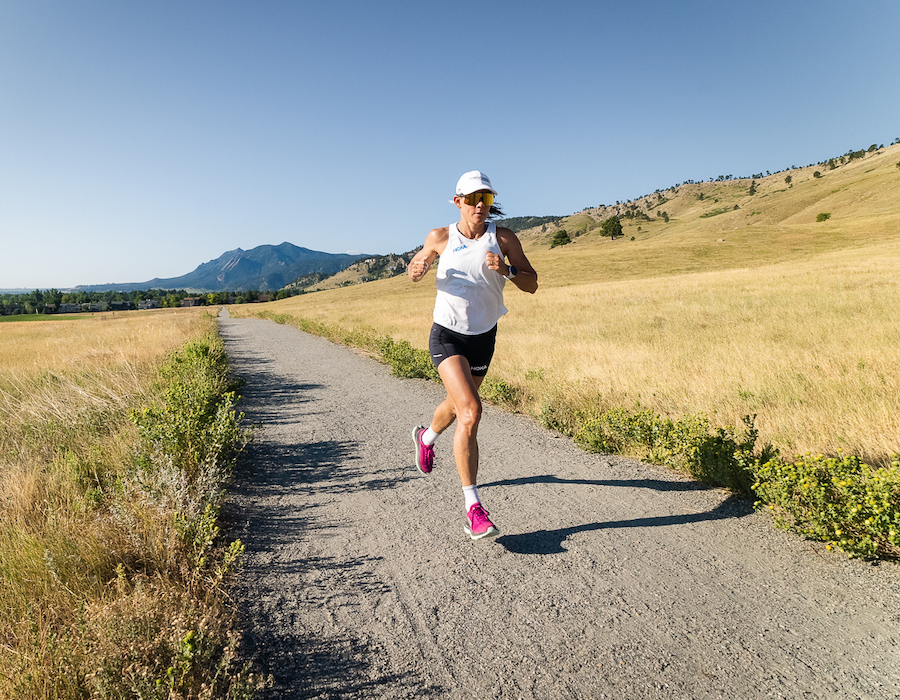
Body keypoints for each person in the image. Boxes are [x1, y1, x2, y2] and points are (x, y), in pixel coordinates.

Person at [407, 170, 538, 540]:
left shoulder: (504, 238)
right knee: (471, 410)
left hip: (483, 337)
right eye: (473, 199)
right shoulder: (441, 236)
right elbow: (417, 264)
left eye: (487, 199)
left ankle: (426, 438)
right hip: (446, 335)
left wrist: (508, 269)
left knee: (456, 404)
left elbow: (532, 284)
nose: (480, 205)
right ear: (457, 202)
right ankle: (474, 508)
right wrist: (417, 268)